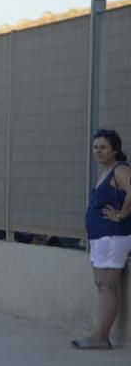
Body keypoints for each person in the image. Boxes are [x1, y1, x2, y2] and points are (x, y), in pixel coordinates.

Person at [73, 129, 131, 350]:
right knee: (102, 284)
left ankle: (101, 337)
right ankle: (100, 334)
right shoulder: (105, 172)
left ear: (115, 149)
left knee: (107, 285)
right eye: (96, 147)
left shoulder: (120, 169)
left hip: (113, 236)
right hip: (101, 238)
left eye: (103, 147)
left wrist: (121, 215)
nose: (98, 151)